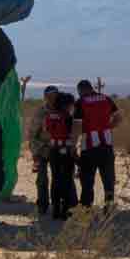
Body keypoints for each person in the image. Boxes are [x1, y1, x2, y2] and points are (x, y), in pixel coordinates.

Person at [73, 80, 121, 208]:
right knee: (108, 180)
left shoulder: (80, 102)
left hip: (89, 147)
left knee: (87, 181)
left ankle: (86, 208)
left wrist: (73, 145)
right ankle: (109, 207)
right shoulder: (106, 99)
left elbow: (77, 126)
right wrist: (108, 127)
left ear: (81, 90)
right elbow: (118, 118)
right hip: (107, 145)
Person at [44, 92, 79, 221]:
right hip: (66, 150)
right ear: (66, 105)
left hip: (53, 150)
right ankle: (65, 210)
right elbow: (73, 134)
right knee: (67, 180)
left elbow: (47, 130)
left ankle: (55, 209)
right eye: (71, 104)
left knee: (55, 179)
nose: (72, 107)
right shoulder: (68, 117)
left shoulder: (49, 116)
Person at [30, 85, 60, 216]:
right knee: (42, 180)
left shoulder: (63, 111)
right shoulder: (40, 112)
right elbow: (32, 134)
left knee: (58, 179)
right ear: (45, 97)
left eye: (55, 96)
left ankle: (57, 205)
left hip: (59, 150)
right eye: (50, 96)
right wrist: (36, 152)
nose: (53, 98)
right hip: (42, 150)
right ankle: (42, 205)